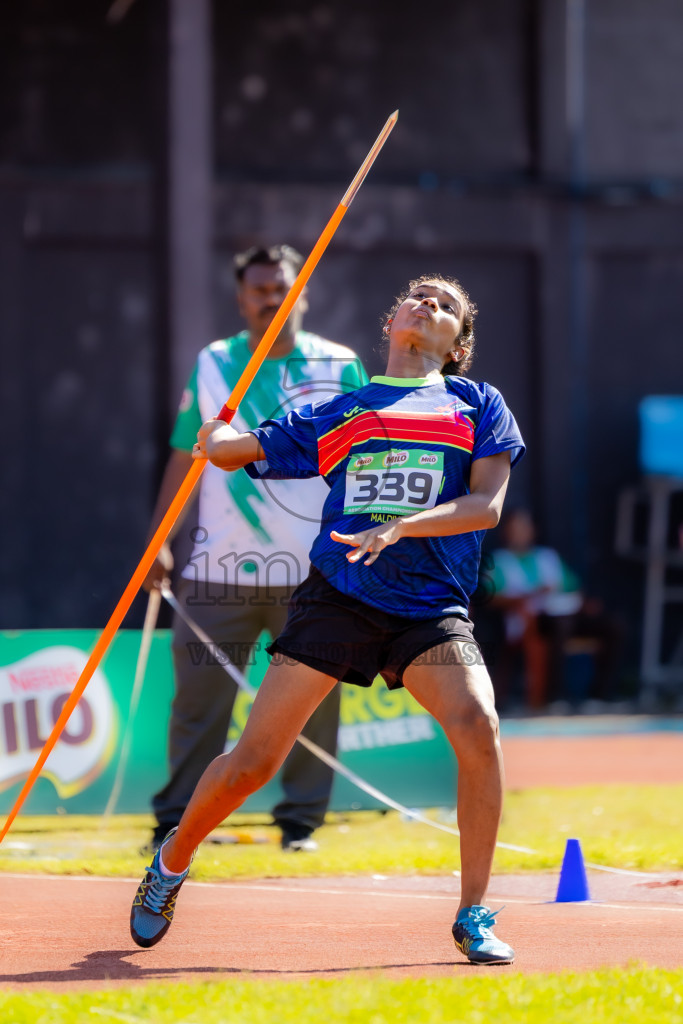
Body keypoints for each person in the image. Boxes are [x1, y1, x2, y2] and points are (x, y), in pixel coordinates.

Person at [130, 273, 525, 965]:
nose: (427, 304)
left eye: (446, 306)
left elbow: (486, 507)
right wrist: (215, 433)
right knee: (253, 763)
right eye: (417, 296)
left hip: (429, 606)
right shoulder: (342, 411)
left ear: (457, 341)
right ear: (393, 320)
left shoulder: (475, 404)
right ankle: (171, 860)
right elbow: (231, 451)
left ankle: (473, 913)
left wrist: (402, 527)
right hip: (338, 597)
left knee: (478, 725)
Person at [143, 244, 368, 853]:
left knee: (313, 705)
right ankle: (175, 825)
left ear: (303, 292)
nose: (272, 298)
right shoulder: (215, 362)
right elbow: (184, 454)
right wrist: (161, 539)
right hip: (217, 568)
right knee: (199, 702)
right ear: (241, 297)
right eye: (259, 289)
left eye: (282, 287)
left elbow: (368, 460)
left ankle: (301, 825)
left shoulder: (342, 365)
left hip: (313, 570)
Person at [488, 507, 622, 710]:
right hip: (530, 621)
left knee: (613, 626)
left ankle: (601, 696)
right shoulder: (498, 560)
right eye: (515, 528)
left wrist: (584, 603)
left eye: (525, 527)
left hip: (566, 613)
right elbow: (492, 599)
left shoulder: (548, 556)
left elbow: (574, 587)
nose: (521, 532)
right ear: (505, 531)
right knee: (560, 627)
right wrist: (533, 594)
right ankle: (555, 697)